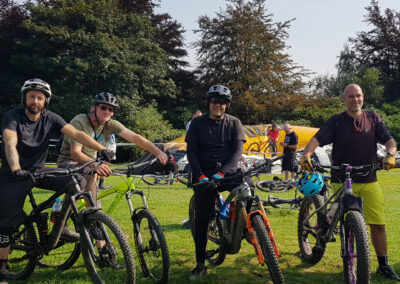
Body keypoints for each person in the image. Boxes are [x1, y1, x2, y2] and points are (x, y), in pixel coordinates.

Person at [0, 79, 114, 284]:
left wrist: (101, 148)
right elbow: (10, 143)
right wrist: (16, 168)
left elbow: (76, 133)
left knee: (75, 179)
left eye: (40, 98)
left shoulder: (51, 118)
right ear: (25, 97)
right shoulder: (12, 117)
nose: (35, 101)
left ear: (46, 101)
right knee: (7, 224)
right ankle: (2, 265)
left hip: (38, 170)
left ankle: (60, 225)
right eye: (32, 96)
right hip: (14, 174)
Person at [299, 83, 399, 281]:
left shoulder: (373, 118)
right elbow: (317, 138)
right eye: (351, 96)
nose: (355, 100)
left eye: (358, 96)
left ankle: (383, 264)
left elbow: (389, 140)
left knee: (378, 224)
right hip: (340, 178)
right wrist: (307, 154)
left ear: (363, 97)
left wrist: (390, 155)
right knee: (335, 217)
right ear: (344, 99)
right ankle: (324, 228)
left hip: (368, 178)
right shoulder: (336, 121)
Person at [57, 92, 168, 208]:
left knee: (91, 192)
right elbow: (75, 154)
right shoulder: (80, 121)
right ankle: (66, 217)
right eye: (103, 108)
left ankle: (93, 217)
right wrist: (95, 165)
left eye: (111, 110)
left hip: (90, 165)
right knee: (84, 184)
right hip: (68, 162)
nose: (107, 112)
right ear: (94, 107)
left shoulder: (110, 124)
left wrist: (158, 151)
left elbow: (135, 137)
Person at [185, 85, 246, 280]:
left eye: (221, 102)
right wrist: (201, 176)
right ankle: (200, 264)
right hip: (203, 174)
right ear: (209, 103)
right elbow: (191, 153)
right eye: (214, 101)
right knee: (202, 219)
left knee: (248, 193)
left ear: (226, 105)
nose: (217, 105)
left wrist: (222, 173)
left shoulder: (235, 123)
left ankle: (249, 228)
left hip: (227, 172)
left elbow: (237, 152)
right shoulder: (197, 124)